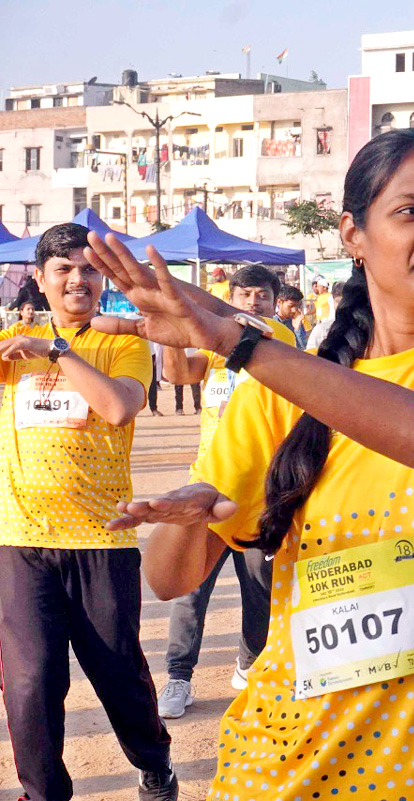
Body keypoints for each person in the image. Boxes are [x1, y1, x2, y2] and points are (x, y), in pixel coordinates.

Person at [84, 127, 414, 800]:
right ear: (352, 235)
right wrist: (191, 515)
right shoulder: (281, 394)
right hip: (292, 764)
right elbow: (168, 577)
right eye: (410, 211)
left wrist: (237, 341)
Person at [0, 223, 176, 801]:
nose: (79, 279)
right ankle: (43, 793)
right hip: (20, 539)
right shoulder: (12, 343)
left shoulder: (120, 342)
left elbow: (118, 407)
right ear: (41, 280)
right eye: (64, 270)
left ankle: (155, 765)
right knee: (29, 682)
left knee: (119, 674)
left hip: (103, 540)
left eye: (88, 270)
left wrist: (57, 350)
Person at [156, 265, 298, 719]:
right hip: (207, 487)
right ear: (230, 296)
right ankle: (178, 675)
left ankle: (250, 663)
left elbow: (252, 330)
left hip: (261, 493)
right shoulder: (217, 356)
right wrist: (174, 340)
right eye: (244, 294)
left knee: (258, 587)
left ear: (276, 302)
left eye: (261, 294)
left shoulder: (281, 345)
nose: (252, 302)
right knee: (190, 588)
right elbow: (179, 376)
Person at [307, 279, 344, 351]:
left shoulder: (329, 296)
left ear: (324, 287)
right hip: (321, 321)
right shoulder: (320, 331)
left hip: (327, 319)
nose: (317, 288)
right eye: (337, 302)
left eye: (319, 286)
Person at [275, 283, 308, 348]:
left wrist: (297, 329)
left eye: (297, 306)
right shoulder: (271, 320)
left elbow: (304, 348)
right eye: (291, 306)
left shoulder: (295, 321)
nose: (294, 310)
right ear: (279, 302)